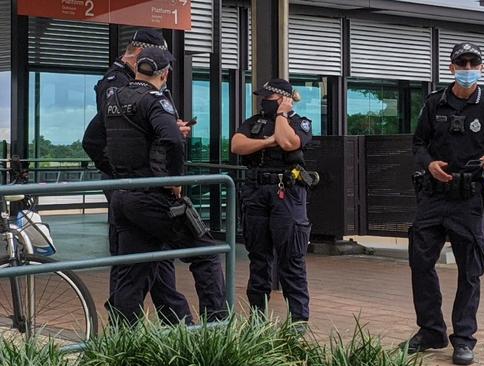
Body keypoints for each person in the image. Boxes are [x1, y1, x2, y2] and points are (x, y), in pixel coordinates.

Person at [403, 42, 484, 365]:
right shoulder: (434, 104)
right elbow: (417, 143)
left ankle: (464, 338)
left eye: (473, 62)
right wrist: (428, 164)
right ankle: (430, 331)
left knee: (470, 270)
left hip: (468, 199)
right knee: (420, 261)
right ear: (452, 68)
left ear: (480, 68)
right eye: (461, 63)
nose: (467, 68)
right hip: (433, 196)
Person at [101, 46, 227, 324]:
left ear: (136, 69)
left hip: (123, 194)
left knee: (132, 273)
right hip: (152, 196)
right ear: (165, 73)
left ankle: (122, 342)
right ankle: (218, 328)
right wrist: (174, 181)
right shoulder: (156, 100)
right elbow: (171, 139)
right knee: (205, 253)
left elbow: (101, 140)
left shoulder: (114, 98)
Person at [82, 29, 193, 325]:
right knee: (139, 260)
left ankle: (146, 324)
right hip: (135, 184)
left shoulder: (133, 85)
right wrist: (121, 172)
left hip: (140, 184)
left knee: (145, 261)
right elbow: (96, 137)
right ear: (136, 55)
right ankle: (175, 325)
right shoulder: (116, 84)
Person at [231, 79, 313, 323]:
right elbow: (237, 145)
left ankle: (298, 320)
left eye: (268, 97)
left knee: (291, 258)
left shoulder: (300, 122)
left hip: (286, 193)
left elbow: (289, 142)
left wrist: (281, 115)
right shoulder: (254, 122)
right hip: (256, 191)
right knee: (258, 257)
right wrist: (267, 142)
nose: (262, 101)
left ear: (284, 99)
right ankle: (257, 321)